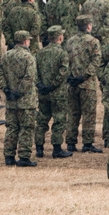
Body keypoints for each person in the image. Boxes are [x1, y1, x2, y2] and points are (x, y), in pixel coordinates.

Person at [0, 30, 39, 167]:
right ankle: (24, 157)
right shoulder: (29, 57)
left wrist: (7, 90)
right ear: (26, 41)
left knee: (11, 128)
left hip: (10, 101)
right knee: (26, 128)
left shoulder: (6, 56)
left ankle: (9, 156)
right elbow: (29, 77)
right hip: (26, 101)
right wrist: (19, 91)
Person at [64, 15, 102, 153]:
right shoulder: (94, 42)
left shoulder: (70, 42)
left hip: (72, 84)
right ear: (89, 26)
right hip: (87, 84)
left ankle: (70, 142)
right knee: (89, 114)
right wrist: (83, 76)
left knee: (73, 114)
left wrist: (71, 77)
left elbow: (65, 61)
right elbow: (96, 62)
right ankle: (87, 143)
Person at [34, 25, 71, 158]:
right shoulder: (62, 53)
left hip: (43, 92)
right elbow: (63, 72)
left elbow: (35, 71)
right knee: (59, 120)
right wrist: (53, 85)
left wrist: (40, 85)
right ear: (60, 37)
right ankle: (57, 149)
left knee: (42, 120)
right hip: (58, 93)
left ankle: (39, 148)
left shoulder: (40, 52)